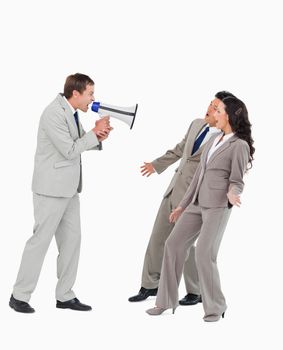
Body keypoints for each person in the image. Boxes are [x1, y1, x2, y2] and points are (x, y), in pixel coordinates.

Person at [9, 73, 112, 313]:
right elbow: (69, 150)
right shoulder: (53, 113)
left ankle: (65, 295)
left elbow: (78, 142)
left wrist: (98, 136)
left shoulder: (71, 112)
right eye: (90, 94)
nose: (93, 99)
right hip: (50, 190)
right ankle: (19, 295)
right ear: (75, 94)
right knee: (40, 242)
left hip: (68, 190)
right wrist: (93, 133)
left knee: (72, 242)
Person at [146, 95, 255, 322]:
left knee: (205, 254)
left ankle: (215, 306)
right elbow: (197, 177)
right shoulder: (213, 141)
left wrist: (233, 193)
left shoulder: (239, 145)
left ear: (230, 115)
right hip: (195, 203)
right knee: (173, 244)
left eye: (218, 110)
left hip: (217, 205)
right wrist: (182, 206)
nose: (213, 113)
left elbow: (237, 179)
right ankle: (164, 301)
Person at [129, 91, 236, 305]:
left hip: (193, 197)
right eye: (210, 104)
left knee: (185, 244)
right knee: (157, 237)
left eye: (216, 108)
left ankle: (195, 291)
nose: (209, 109)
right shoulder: (196, 124)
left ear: (224, 115)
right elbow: (180, 150)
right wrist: (156, 165)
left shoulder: (223, 139)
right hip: (173, 189)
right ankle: (150, 284)